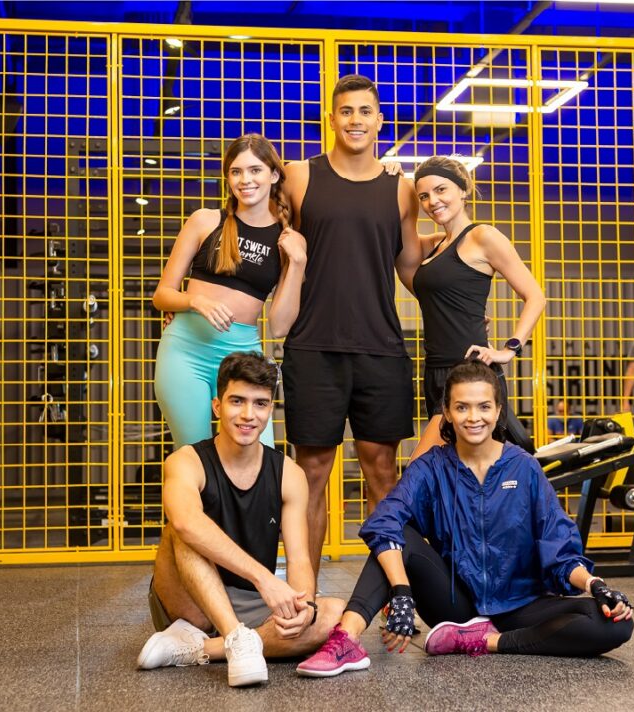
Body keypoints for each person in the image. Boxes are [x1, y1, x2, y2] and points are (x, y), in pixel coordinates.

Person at [295, 360, 633, 678]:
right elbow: (384, 521)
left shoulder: (524, 467)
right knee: (400, 534)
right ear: (447, 412)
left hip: (520, 606)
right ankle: (346, 640)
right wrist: (401, 592)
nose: (474, 417)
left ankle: (487, 642)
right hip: (456, 607)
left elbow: (558, 547)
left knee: (614, 623)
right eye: (462, 407)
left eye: (484, 407)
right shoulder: (431, 467)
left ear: (498, 410)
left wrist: (595, 585)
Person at [280, 74, 422, 573]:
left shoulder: (401, 189)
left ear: (380, 121)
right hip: (313, 347)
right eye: (346, 111)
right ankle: (304, 593)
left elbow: (409, 267)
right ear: (332, 119)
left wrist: (457, 303)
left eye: (365, 111)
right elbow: (262, 236)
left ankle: (391, 593)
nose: (355, 120)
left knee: (382, 472)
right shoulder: (300, 176)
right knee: (310, 473)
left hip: (380, 347)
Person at [137, 352, 345, 687]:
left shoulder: (289, 474)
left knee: (332, 614)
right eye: (237, 401)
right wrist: (265, 579)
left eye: (260, 404)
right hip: (189, 600)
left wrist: (305, 606)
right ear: (217, 406)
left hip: (250, 602)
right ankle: (235, 635)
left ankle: (202, 649)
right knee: (180, 529)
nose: (249, 415)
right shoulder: (186, 461)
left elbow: (299, 559)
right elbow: (186, 522)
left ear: (270, 409)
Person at [152, 133, 306, 449]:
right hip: (185, 353)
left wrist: (298, 262)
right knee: (194, 454)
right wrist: (195, 301)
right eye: (236, 171)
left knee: (258, 456)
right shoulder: (205, 221)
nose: (245, 180)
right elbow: (162, 295)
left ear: (273, 175)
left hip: (242, 355)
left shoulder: (287, 240)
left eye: (255, 170)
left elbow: (279, 326)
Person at [404, 156, 545, 460]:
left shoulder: (483, 236)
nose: (432, 201)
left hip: (468, 372)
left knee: (419, 471)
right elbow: (397, 236)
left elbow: (535, 296)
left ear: (463, 189)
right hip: (435, 371)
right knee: (454, 474)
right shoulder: (435, 244)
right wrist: (391, 179)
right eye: (424, 196)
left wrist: (509, 349)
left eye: (441, 190)